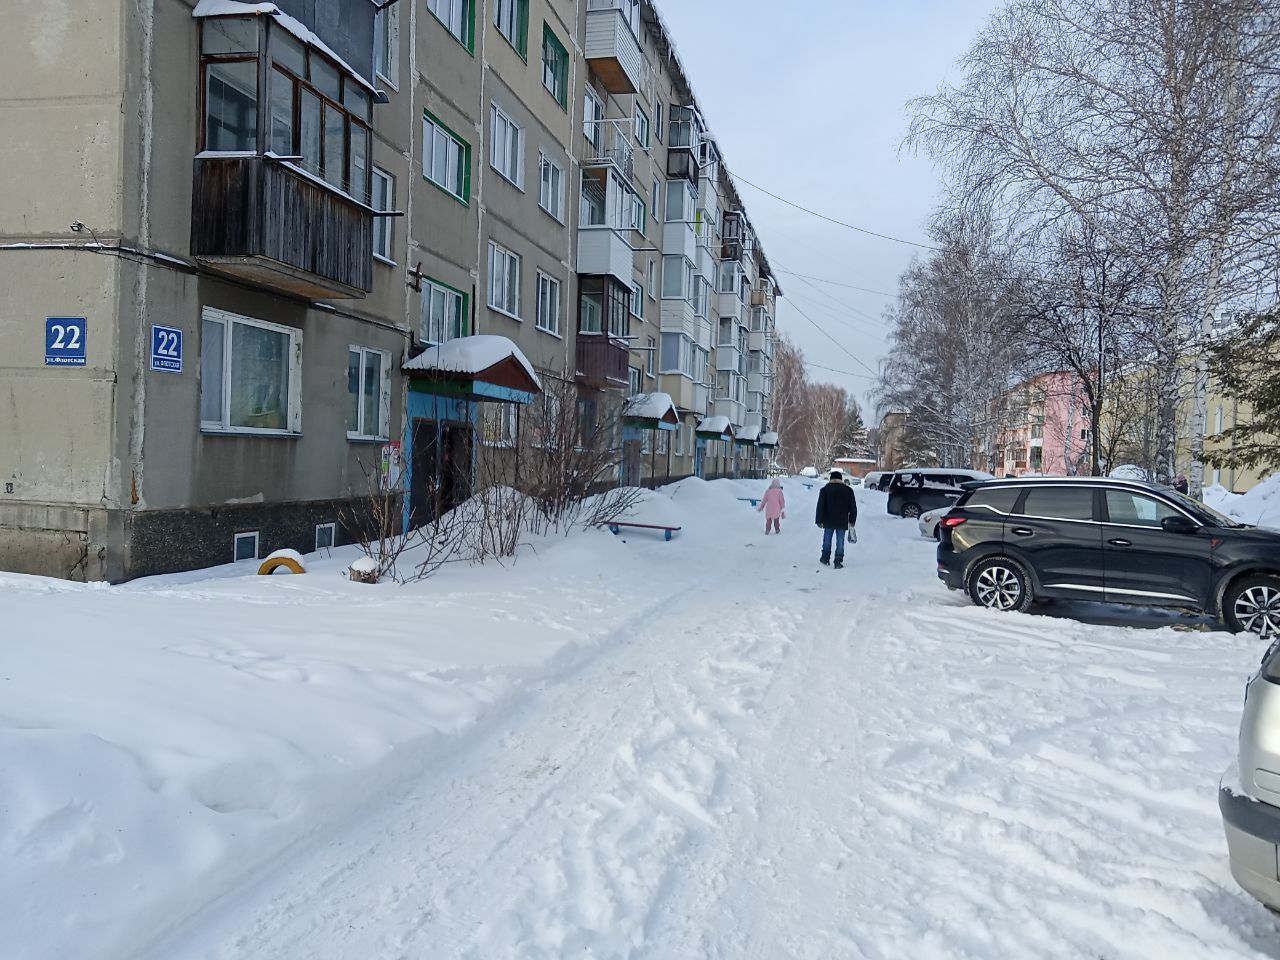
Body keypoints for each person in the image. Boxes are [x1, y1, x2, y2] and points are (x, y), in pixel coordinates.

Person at [815, 469, 858, 568]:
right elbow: (853, 507)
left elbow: (820, 506)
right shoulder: (848, 490)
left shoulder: (825, 490)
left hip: (828, 520)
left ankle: (825, 557)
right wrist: (852, 520)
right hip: (842, 520)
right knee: (840, 541)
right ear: (840, 479)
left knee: (827, 539)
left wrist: (819, 520)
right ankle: (838, 560)